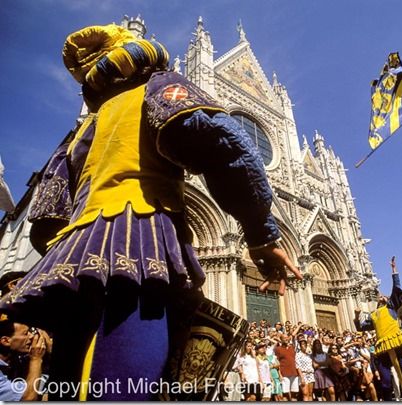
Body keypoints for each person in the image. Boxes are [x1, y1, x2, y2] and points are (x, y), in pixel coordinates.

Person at [0, 24, 302, 400]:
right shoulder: (157, 89)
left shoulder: (78, 137)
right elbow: (224, 147)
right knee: (127, 384)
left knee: (72, 380)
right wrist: (260, 235)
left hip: (70, 267)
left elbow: (45, 221)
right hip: (138, 245)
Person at [354, 256, 402, 401]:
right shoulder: (373, 315)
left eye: (384, 296)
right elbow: (361, 328)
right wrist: (356, 317)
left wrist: (394, 270)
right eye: (381, 296)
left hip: (395, 343)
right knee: (386, 381)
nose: (382, 296)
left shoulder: (391, 307)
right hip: (382, 348)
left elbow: (396, 289)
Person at [0, 317, 48, 400]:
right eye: (26, 334)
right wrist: (36, 359)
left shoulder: (17, 359)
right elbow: (28, 399)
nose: (31, 336)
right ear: (6, 341)